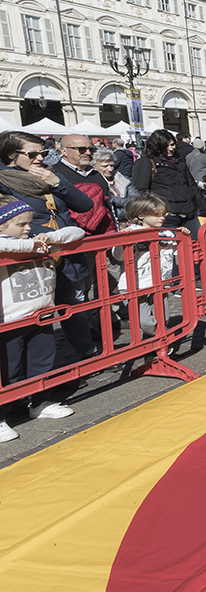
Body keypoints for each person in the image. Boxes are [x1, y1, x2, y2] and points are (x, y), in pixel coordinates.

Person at [0, 131, 97, 359]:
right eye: (32, 154)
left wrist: (57, 182)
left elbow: (84, 205)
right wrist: (45, 236)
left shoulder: (50, 175)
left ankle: (88, 351)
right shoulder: (4, 182)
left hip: (65, 251)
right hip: (33, 258)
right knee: (33, 315)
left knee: (73, 303)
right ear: (12, 154)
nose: (40, 158)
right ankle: (27, 376)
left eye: (42, 152)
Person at [0, 195, 85, 441]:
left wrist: (48, 238)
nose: (29, 228)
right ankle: (5, 413)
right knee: (8, 368)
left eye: (29, 223)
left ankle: (39, 401)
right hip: (12, 319)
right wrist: (35, 246)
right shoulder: (16, 244)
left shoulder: (33, 237)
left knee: (42, 361)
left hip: (41, 314)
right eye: (21, 224)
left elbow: (75, 232)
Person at [113, 193, 178, 338]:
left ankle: (157, 349)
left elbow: (177, 252)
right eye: (156, 214)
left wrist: (182, 236)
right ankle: (160, 337)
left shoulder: (167, 233)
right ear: (141, 215)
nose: (162, 218)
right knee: (146, 322)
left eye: (163, 214)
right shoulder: (131, 233)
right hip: (137, 284)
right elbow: (118, 256)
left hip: (160, 282)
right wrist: (122, 241)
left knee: (163, 317)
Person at [132, 130, 206, 239]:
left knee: (196, 247)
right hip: (166, 215)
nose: (171, 148)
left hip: (188, 212)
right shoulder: (146, 162)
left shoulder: (179, 161)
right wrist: (154, 211)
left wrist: (204, 206)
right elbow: (141, 190)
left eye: (172, 145)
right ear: (158, 146)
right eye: (167, 145)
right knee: (167, 251)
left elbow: (191, 185)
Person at [54, 134, 115, 235]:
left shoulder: (96, 173)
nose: (88, 153)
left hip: (104, 234)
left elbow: (109, 205)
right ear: (64, 151)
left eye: (91, 149)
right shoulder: (55, 174)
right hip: (74, 235)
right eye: (81, 149)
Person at [92, 147, 136, 226]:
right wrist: (130, 208)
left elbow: (137, 200)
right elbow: (108, 205)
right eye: (105, 166)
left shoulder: (122, 179)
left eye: (112, 165)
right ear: (95, 166)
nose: (110, 169)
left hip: (129, 223)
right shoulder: (93, 182)